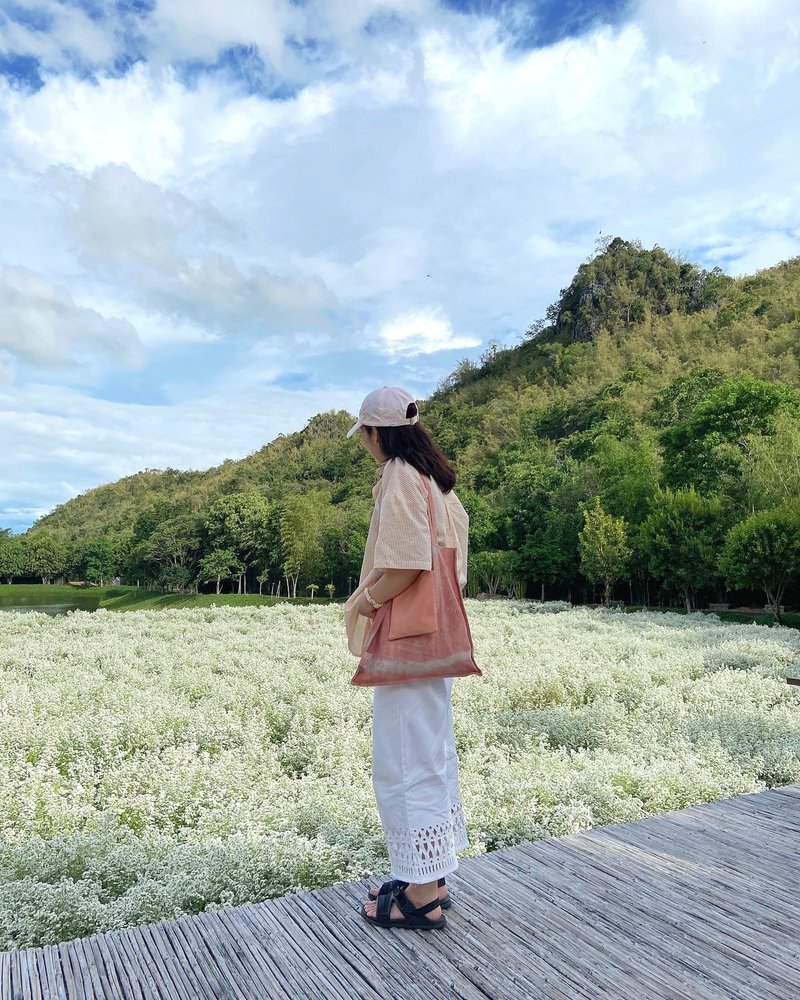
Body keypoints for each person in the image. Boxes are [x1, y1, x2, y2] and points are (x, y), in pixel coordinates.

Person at [345, 386, 471, 931]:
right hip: (437, 641)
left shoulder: (399, 474)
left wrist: (360, 602)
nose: (366, 446)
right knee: (431, 754)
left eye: (365, 435)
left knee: (402, 761)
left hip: (405, 640)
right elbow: (454, 569)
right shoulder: (437, 482)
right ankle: (430, 878)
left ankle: (421, 895)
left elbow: (404, 565)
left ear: (377, 432)